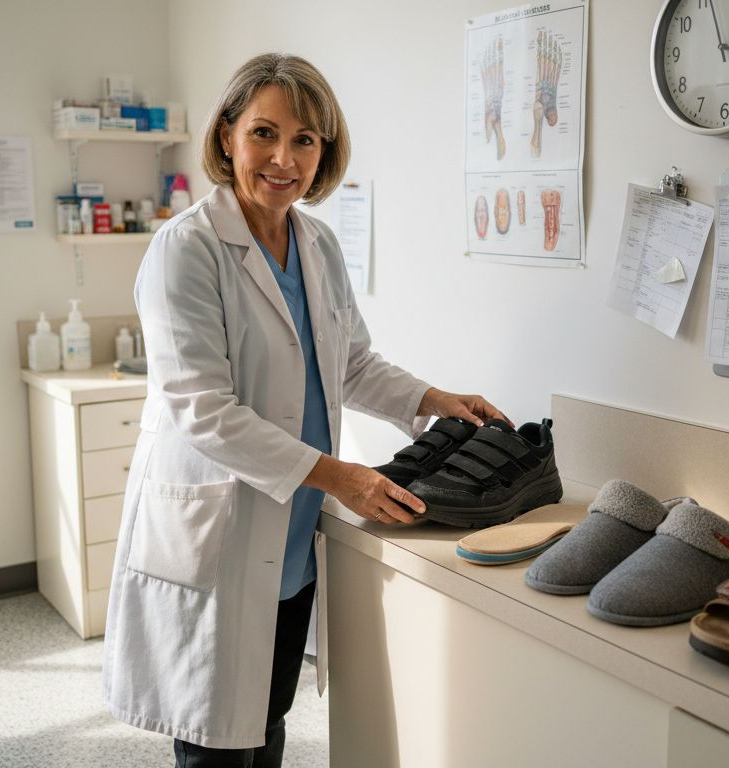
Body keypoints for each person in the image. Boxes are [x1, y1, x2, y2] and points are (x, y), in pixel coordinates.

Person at [102, 53, 507, 768]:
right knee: (214, 743)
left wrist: (433, 400)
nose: (283, 158)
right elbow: (204, 410)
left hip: (289, 536)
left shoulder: (317, 243)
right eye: (264, 133)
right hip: (220, 529)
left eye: (305, 140)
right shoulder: (185, 250)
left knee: (269, 721)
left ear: (325, 153)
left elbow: (348, 363)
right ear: (227, 136)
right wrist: (338, 475)